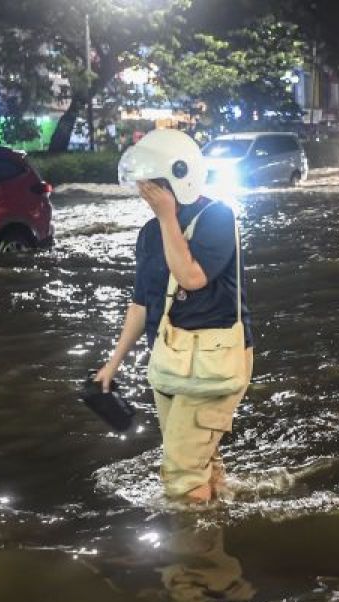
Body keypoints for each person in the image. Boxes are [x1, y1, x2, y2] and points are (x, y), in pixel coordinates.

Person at [95, 129, 253, 504]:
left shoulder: (218, 217)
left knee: (181, 474)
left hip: (213, 361)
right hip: (169, 359)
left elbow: (192, 278)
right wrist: (114, 362)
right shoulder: (150, 233)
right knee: (198, 461)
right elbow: (141, 302)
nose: (143, 191)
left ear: (176, 180)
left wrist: (168, 216)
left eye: (150, 184)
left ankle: (192, 558)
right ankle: (218, 524)